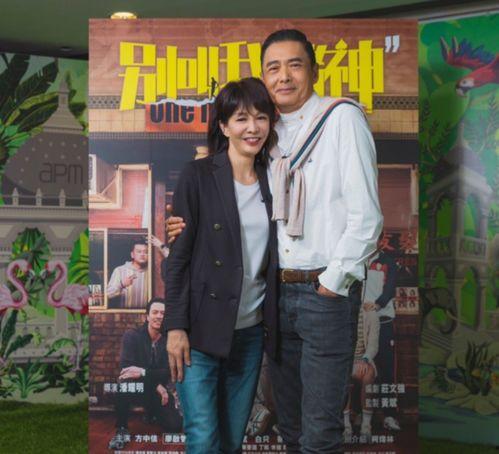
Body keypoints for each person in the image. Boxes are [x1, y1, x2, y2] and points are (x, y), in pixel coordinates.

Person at [167, 29, 383, 453]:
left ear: (314, 70)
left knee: (320, 432)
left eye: (294, 65)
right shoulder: (266, 138)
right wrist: (181, 226)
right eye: (273, 68)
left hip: (322, 293)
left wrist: (332, 282)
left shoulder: (343, 118)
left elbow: (367, 216)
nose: (284, 76)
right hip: (276, 301)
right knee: (291, 428)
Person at [164, 77, 278, 453]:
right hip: (199, 332)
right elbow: (178, 260)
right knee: (203, 437)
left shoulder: (275, 180)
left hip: (249, 333)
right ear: (224, 126)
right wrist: (175, 327)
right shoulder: (198, 176)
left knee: (231, 441)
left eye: (261, 117)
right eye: (241, 118)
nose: (252, 128)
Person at [109, 298, 182, 450]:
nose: (159, 316)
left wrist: (142, 372)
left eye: (163, 313)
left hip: (158, 391)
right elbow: (126, 370)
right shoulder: (132, 336)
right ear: (147, 316)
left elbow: (168, 371)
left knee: (174, 426)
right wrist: (156, 385)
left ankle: (152, 413)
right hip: (142, 388)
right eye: (155, 312)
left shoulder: (170, 340)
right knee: (124, 384)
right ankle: (122, 428)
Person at [366, 243, 401, 431]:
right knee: (360, 370)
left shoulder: (389, 262)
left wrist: (377, 305)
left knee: (386, 370)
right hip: (360, 324)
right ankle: (360, 414)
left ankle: (389, 416)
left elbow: (389, 289)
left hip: (383, 322)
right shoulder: (357, 260)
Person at [343, 304, 380, 443]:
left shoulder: (370, 314)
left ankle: (366, 426)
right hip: (343, 360)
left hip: (362, 359)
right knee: (342, 374)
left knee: (368, 374)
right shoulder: (338, 310)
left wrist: (365, 359)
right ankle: (346, 427)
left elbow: (373, 345)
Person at [107, 240, 148, 308]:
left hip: (146, 314)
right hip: (124, 314)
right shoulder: (120, 270)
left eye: (146, 252)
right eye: (139, 251)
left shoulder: (152, 272)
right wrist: (122, 284)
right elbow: (108, 295)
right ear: (132, 255)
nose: (142, 254)